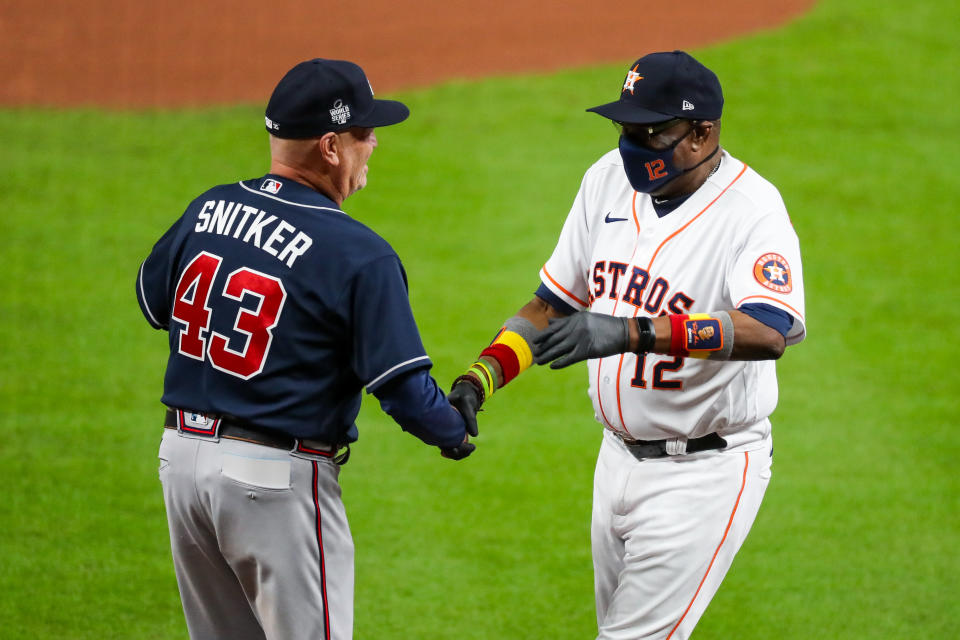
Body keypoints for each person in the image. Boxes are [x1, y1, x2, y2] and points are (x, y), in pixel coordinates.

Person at [448, 50, 806, 639]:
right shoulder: (605, 181)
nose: (632, 145)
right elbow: (549, 304)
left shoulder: (753, 212)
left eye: (651, 132)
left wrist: (631, 331)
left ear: (701, 133)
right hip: (614, 462)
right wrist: (481, 376)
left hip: (704, 471)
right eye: (626, 128)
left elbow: (768, 329)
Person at [136, 58, 475, 640]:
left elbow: (152, 302)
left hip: (181, 465)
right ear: (330, 146)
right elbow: (402, 391)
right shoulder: (358, 252)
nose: (373, 145)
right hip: (272, 482)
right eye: (365, 133)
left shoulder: (208, 207)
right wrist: (453, 429)